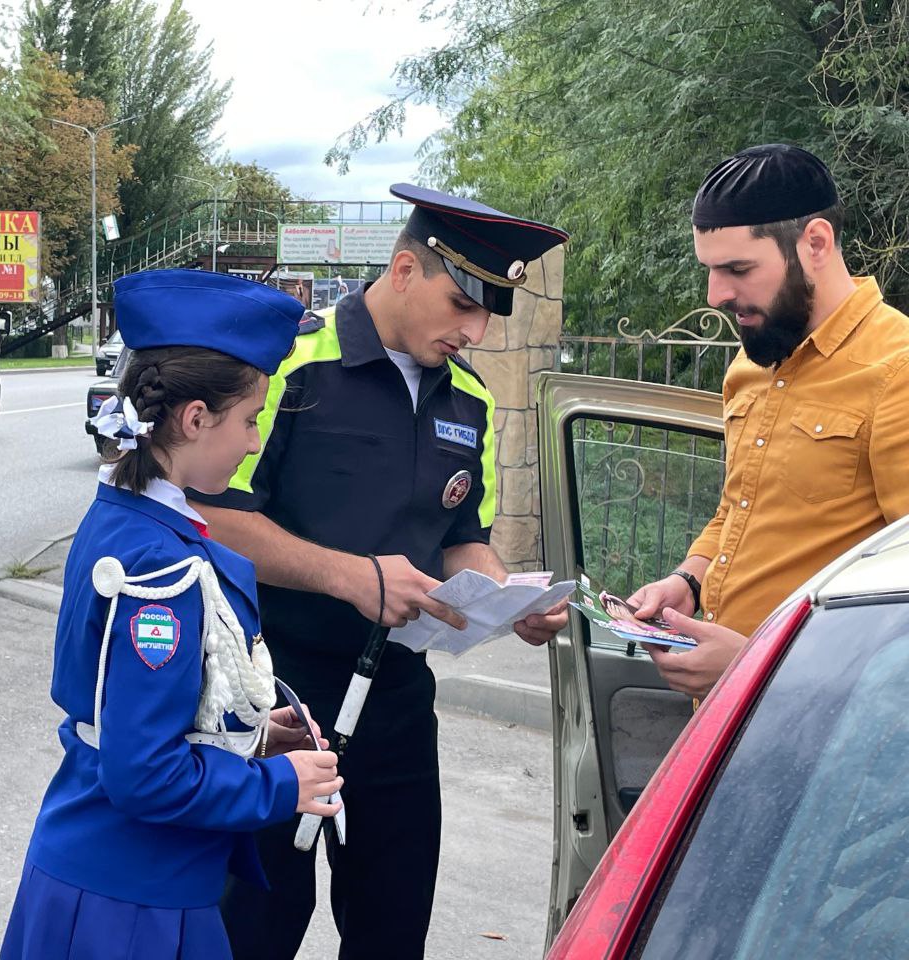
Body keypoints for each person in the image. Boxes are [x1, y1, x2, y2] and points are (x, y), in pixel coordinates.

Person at [192, 184, 570, 959]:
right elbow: (215, 516)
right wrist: (351, 576)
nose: (476, 330)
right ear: (404, 271)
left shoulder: (469, 400)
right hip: (277, 697)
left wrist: (506, 598)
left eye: (489, 314)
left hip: (396, 702)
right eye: (463, 304)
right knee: (254, 926)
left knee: (391, 929)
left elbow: (464, 536)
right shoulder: (291, 365)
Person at [0, 269, 345, 960]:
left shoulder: (128, 514)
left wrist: (246, 734)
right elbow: (144, 773)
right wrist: (279, 783)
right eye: (250, 421)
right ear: (194, 419)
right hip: (130, 899)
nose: (253, 442)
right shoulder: (160, 564)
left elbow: (135, 711)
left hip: (112, 876)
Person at [629, 144, 909, 699]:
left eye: (738, 269)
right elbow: (740, 505)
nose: (717, 295)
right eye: (710, 270)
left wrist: (760, 665)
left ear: (816, 244)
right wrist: (689, 579)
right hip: (724, 716)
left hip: (826, 725)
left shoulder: (896, 368)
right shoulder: (752, 360)